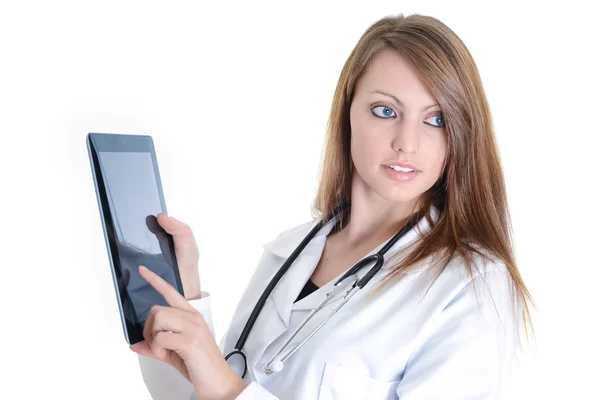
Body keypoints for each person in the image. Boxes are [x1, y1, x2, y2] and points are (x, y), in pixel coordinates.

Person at [130, 13, 535, 400]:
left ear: (461, 133)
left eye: (436, 119)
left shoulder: (470, 286)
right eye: (386, 111)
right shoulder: (289, 251)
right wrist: (183, 292)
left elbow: (224, 389)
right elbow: (200, 390)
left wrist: (227, 389)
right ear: (348, 114)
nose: (406, 143)